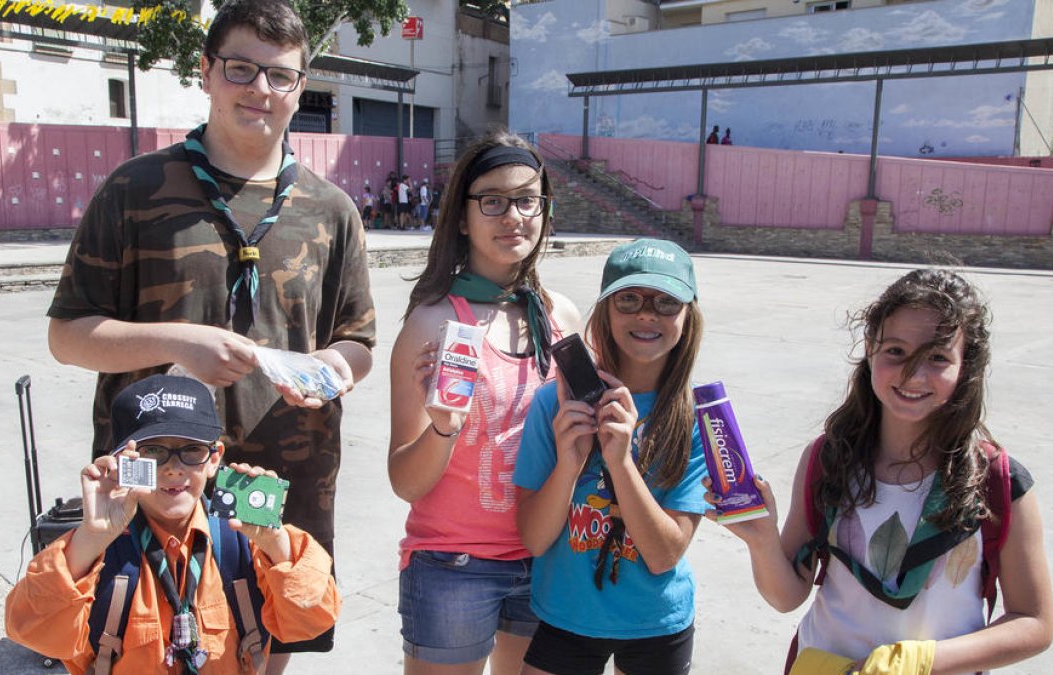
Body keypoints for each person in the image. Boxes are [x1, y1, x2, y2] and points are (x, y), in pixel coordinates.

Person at [45, 0, 375, 666]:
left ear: (300, 86)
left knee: (274, 622)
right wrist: (175, 341)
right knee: (140, 635)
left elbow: (357, 340)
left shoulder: (331, 209)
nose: (260, 89)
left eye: (280, 75)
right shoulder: (134, 191)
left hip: (285, 474)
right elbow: (69, 335)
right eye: (241, 69)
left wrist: (325, 371)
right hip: (151, 475)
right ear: (206, 71)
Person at [707, 269, 1053, 673]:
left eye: (938, 357)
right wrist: (762, 541)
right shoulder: (828, 459)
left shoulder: (995, 480)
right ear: (870, 348)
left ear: (966, 365)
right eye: (896, 351)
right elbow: (786, 596)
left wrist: (918, 663)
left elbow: (1034, 622)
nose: (913, 375)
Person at [387, 130, 583, 674]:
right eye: (492, 201)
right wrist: (443, 429)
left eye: (527, 199)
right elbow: (405, 481)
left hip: (546, 556)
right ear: (462, 217)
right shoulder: (432, 324)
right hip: (455, 563)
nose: (512, 215)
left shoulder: (560, 316)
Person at [5, 374, 340, 674]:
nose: (173, 469)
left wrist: (275, 543)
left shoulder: (247, 544)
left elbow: (312, 621)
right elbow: (33, 632)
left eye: (191, 451)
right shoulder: (95, 554)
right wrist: (91, 538)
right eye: (153, 451)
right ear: (122, 461)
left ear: (214, 460)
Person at [513, 239, 709, 675]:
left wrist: (621, 462)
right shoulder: (556, 405)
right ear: (605, 310)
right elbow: (534, 539)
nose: (646, 314)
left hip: (656, 620)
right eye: (629, 299)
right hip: (568, 613)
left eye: (665, 302)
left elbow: (663, 555)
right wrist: (569, 462)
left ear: (687, 317)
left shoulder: (694, 419)